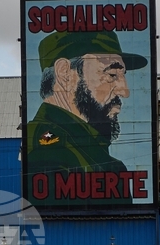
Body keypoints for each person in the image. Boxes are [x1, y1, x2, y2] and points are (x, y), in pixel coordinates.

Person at [25, 30, 148, 203]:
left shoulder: (100, 158)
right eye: (112, 75)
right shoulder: (48, 151)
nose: (125, 91)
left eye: (122, 76)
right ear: (64, 73)